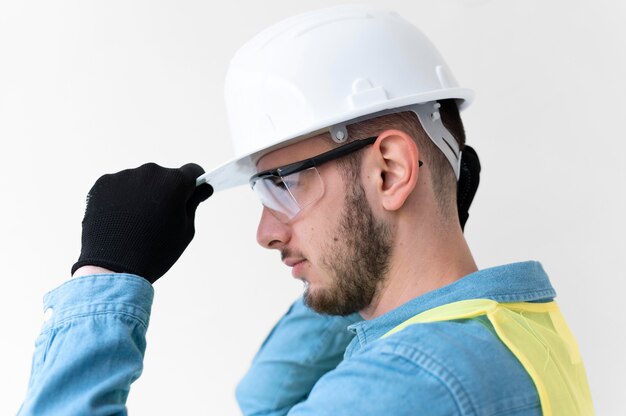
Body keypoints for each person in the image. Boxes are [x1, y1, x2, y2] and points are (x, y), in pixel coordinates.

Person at [18, 5, 593, 415]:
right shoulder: (512, 325)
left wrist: (105, 278)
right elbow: (267, 402)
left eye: (282, 184)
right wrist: (415, 230)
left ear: (390, 170)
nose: (266, 232)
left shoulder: (418, 381)